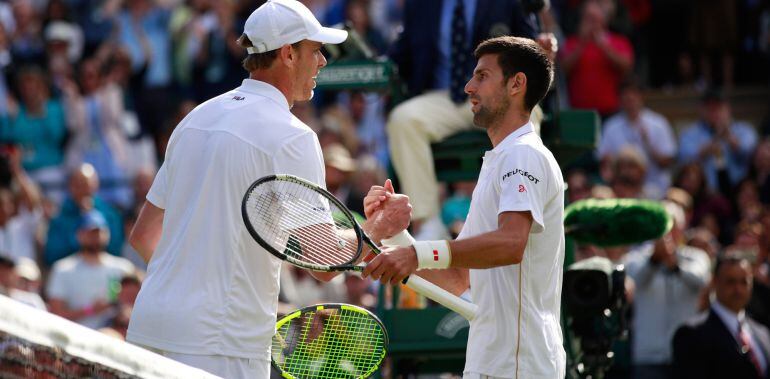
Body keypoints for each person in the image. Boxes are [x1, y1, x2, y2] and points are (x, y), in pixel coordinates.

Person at [125, 1, 409, 378]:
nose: (323, 61)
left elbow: (144, 235)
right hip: (219, 345)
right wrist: (377, 228)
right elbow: (325, 263)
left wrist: (192, 282)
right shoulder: (293, 136)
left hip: (149, 327)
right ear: (289, 54)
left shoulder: (196, 117)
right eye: (316, 50)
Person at [364, 36, 565, 379]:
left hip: (519, 366)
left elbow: (510, 244)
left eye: (482, 76)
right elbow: (458, 279)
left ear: (517, 84)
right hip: (495, 363)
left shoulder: (523, 154)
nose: (469, 86)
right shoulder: (501, 160)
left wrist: (417, 256)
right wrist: (397, 238)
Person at [386, 0, 552, 234]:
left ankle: (522, 209)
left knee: (526, 113)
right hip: (444, 99)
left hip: (499, 93)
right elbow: (399, 55)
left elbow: (532, 50)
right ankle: (428, 225)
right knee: (403, 120)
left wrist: (543, 49)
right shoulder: (419, 4)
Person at [623, 201, 711, 378]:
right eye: (661, 228)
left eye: (671, 227)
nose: (666, 234)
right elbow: (635, 280)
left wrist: (676, 267)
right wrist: (654, 260)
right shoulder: (635, 259)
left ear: (681, 228)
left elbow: (700, 280)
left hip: (688, 357)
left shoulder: (695, 256)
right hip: (648, 358)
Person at [672, 256, 770, 379]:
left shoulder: (763, 333)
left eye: (744, 282)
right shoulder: (692, 333)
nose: (738, 289)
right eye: (730, 281)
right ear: (714, 282)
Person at [46, 210, 135, 329]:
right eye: (90, 232)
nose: (96, 237)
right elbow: (55, 315)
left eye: (99, 232)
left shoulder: (123, 268)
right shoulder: (63, 269)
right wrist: (90, 310)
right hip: (75, 339)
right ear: (79, 235)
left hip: (115, 341)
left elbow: (135, 306)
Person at [597, 78, 677, 200]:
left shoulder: (658, 123)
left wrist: (648, 143)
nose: (630, 100)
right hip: (622, 193)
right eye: (625, 96)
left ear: (641, 96)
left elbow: (667, 161)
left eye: (633, 95)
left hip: (656, 192)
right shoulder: (611, 127)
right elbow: (604, 161)